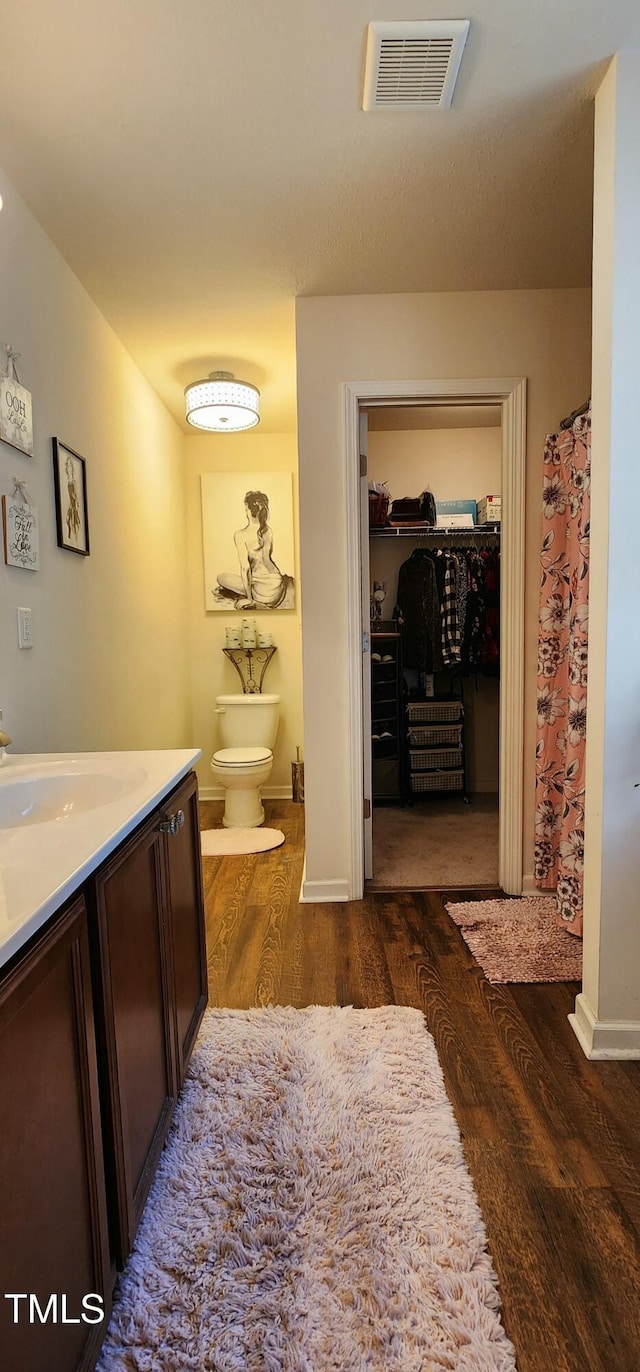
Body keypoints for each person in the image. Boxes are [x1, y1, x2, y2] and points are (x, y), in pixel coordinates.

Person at [215, 490, 294, 609]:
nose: (245, 511)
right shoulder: (267, 530)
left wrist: (249, 599)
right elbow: (267, 560)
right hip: (277, 585)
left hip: (263, 592)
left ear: (248, 510)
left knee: (221, 578)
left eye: (245, 509)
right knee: (258, 580)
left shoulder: (240, 535)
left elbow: (245, 568)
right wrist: (276, 580)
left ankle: (254, 597)